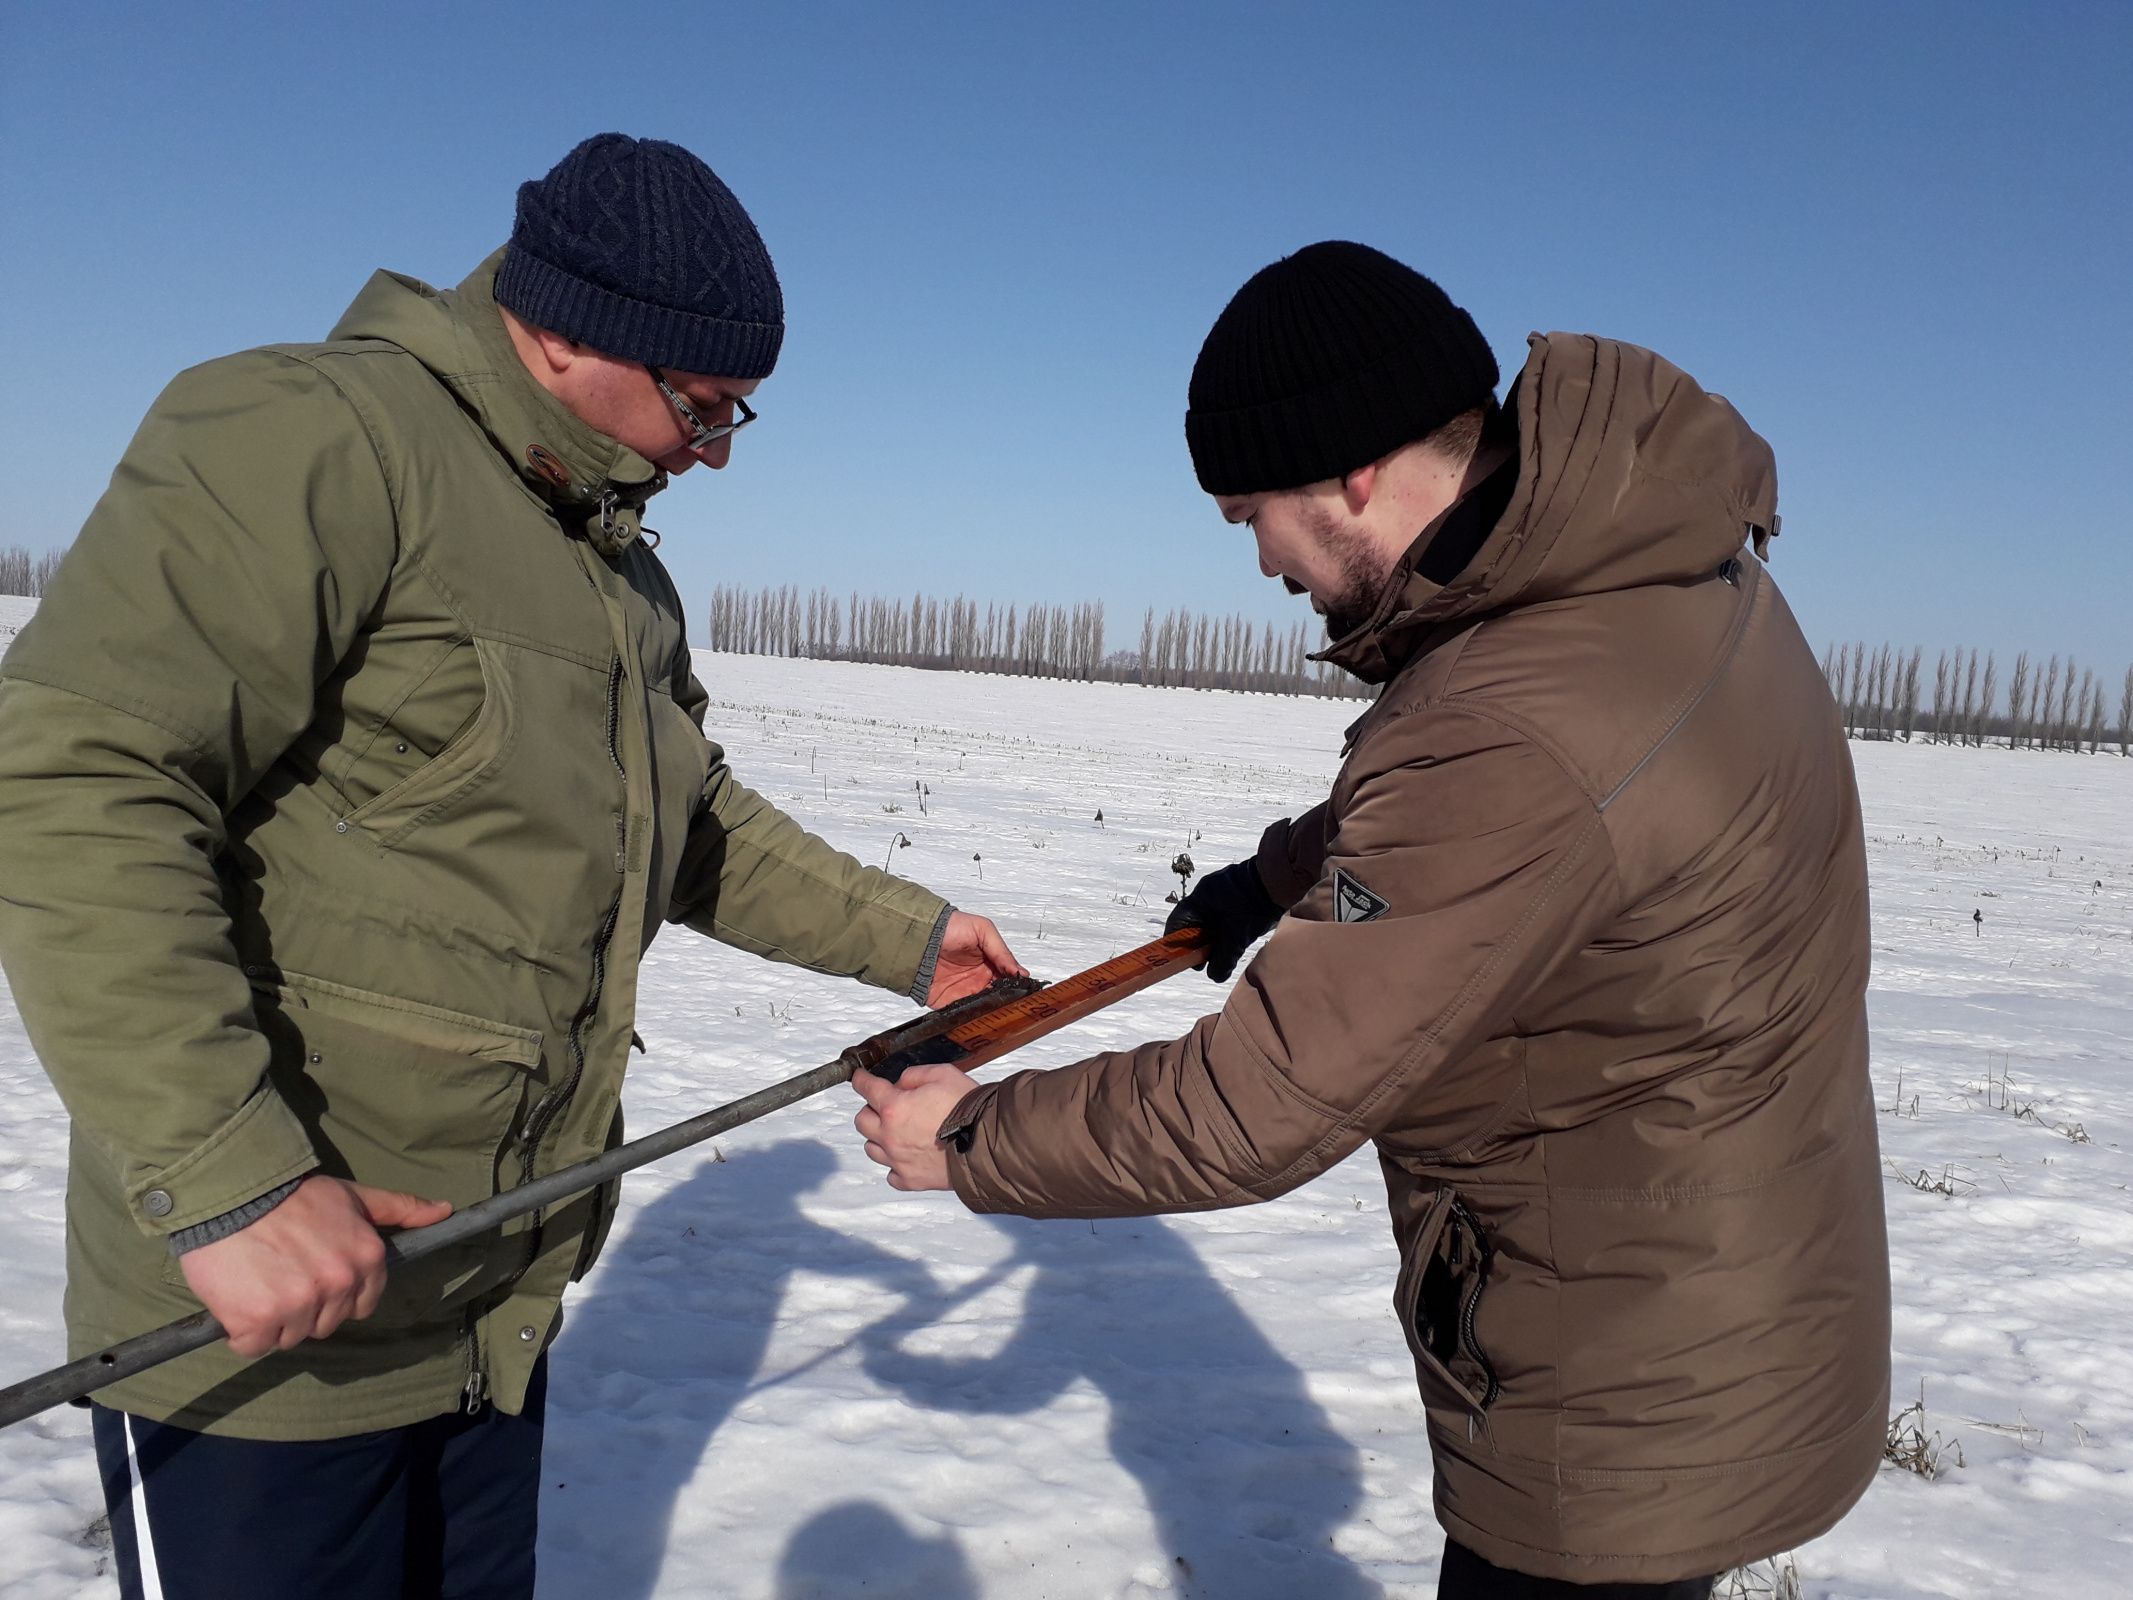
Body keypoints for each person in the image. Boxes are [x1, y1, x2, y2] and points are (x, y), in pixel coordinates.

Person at [0, 133, 1021, 1600]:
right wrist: (228, 1182)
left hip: (488, 1313)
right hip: (271, 1328)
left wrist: (911, 939)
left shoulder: (616, 570)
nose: (713, 452)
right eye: (699, 405)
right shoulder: (312, 431)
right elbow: (80, 776)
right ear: (556, 329)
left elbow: (692, 819)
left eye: (740, 416)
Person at [854, 241, 1889, 1598]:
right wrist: (1273, 879)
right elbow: (1517, 825)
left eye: (1247, 517)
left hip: (1617, 1388)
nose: (1260, 562)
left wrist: (971, 1137)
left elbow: (1259, 1106)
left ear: (1348, 474)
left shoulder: (1509, 717)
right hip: (1721, 1292)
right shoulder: (1649, 575)